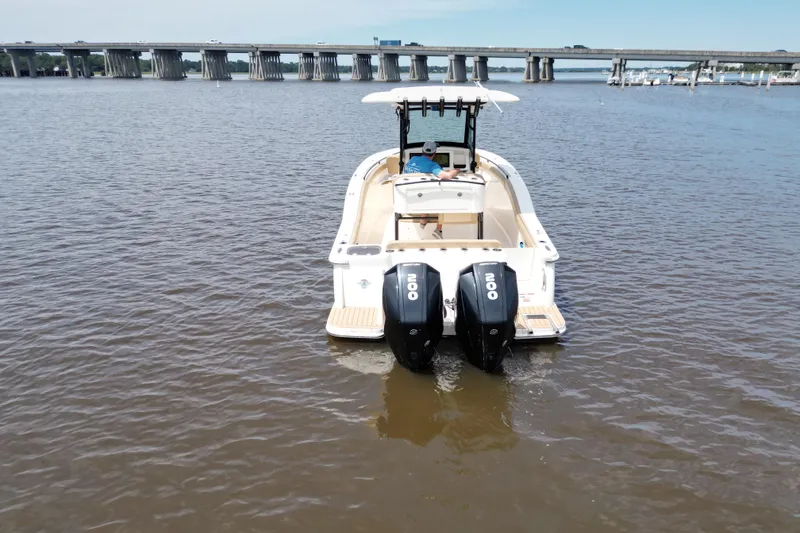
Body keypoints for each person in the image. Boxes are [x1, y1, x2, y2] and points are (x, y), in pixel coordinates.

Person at [403, 141, 460, 239]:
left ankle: (423, 219)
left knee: (427, 192)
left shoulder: (413, 159)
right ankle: (438, 229)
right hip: (421, 199)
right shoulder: (432, 165)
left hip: (407, 197)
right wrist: (456, 170)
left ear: (422, 151)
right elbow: (447, 176)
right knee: (443, 194)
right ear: (434, 153)